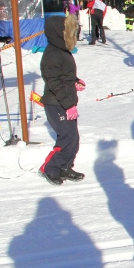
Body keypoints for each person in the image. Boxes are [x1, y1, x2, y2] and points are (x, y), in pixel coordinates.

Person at [39, 14, 86, 186]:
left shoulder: (62, 51)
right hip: (56, 103)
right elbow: (54, 82)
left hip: (66, 102)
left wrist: (75, 81)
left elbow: (64, 75)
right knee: (67, 137)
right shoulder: (52, 54)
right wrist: (68, 105)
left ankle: (65, 166)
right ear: (59, 33)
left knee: (73, 137)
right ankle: (50, 168)